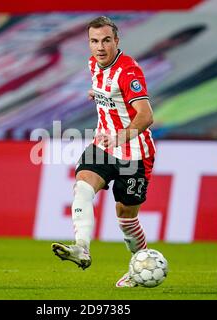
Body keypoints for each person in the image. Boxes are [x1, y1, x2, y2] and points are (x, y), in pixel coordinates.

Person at [51, 16, 156, 288]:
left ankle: (140, 265)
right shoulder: (93, 64)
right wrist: (96, 95)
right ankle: (81, 247)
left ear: (116, 41)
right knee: (82, 187)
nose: (100, 47)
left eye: (106, 40)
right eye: (95, 41)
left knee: (126, 218)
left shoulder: (129, 71)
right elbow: (108, 93)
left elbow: (145, 116)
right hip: (102, 146)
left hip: (134, 154)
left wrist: (120, 136)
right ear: (89, 43)